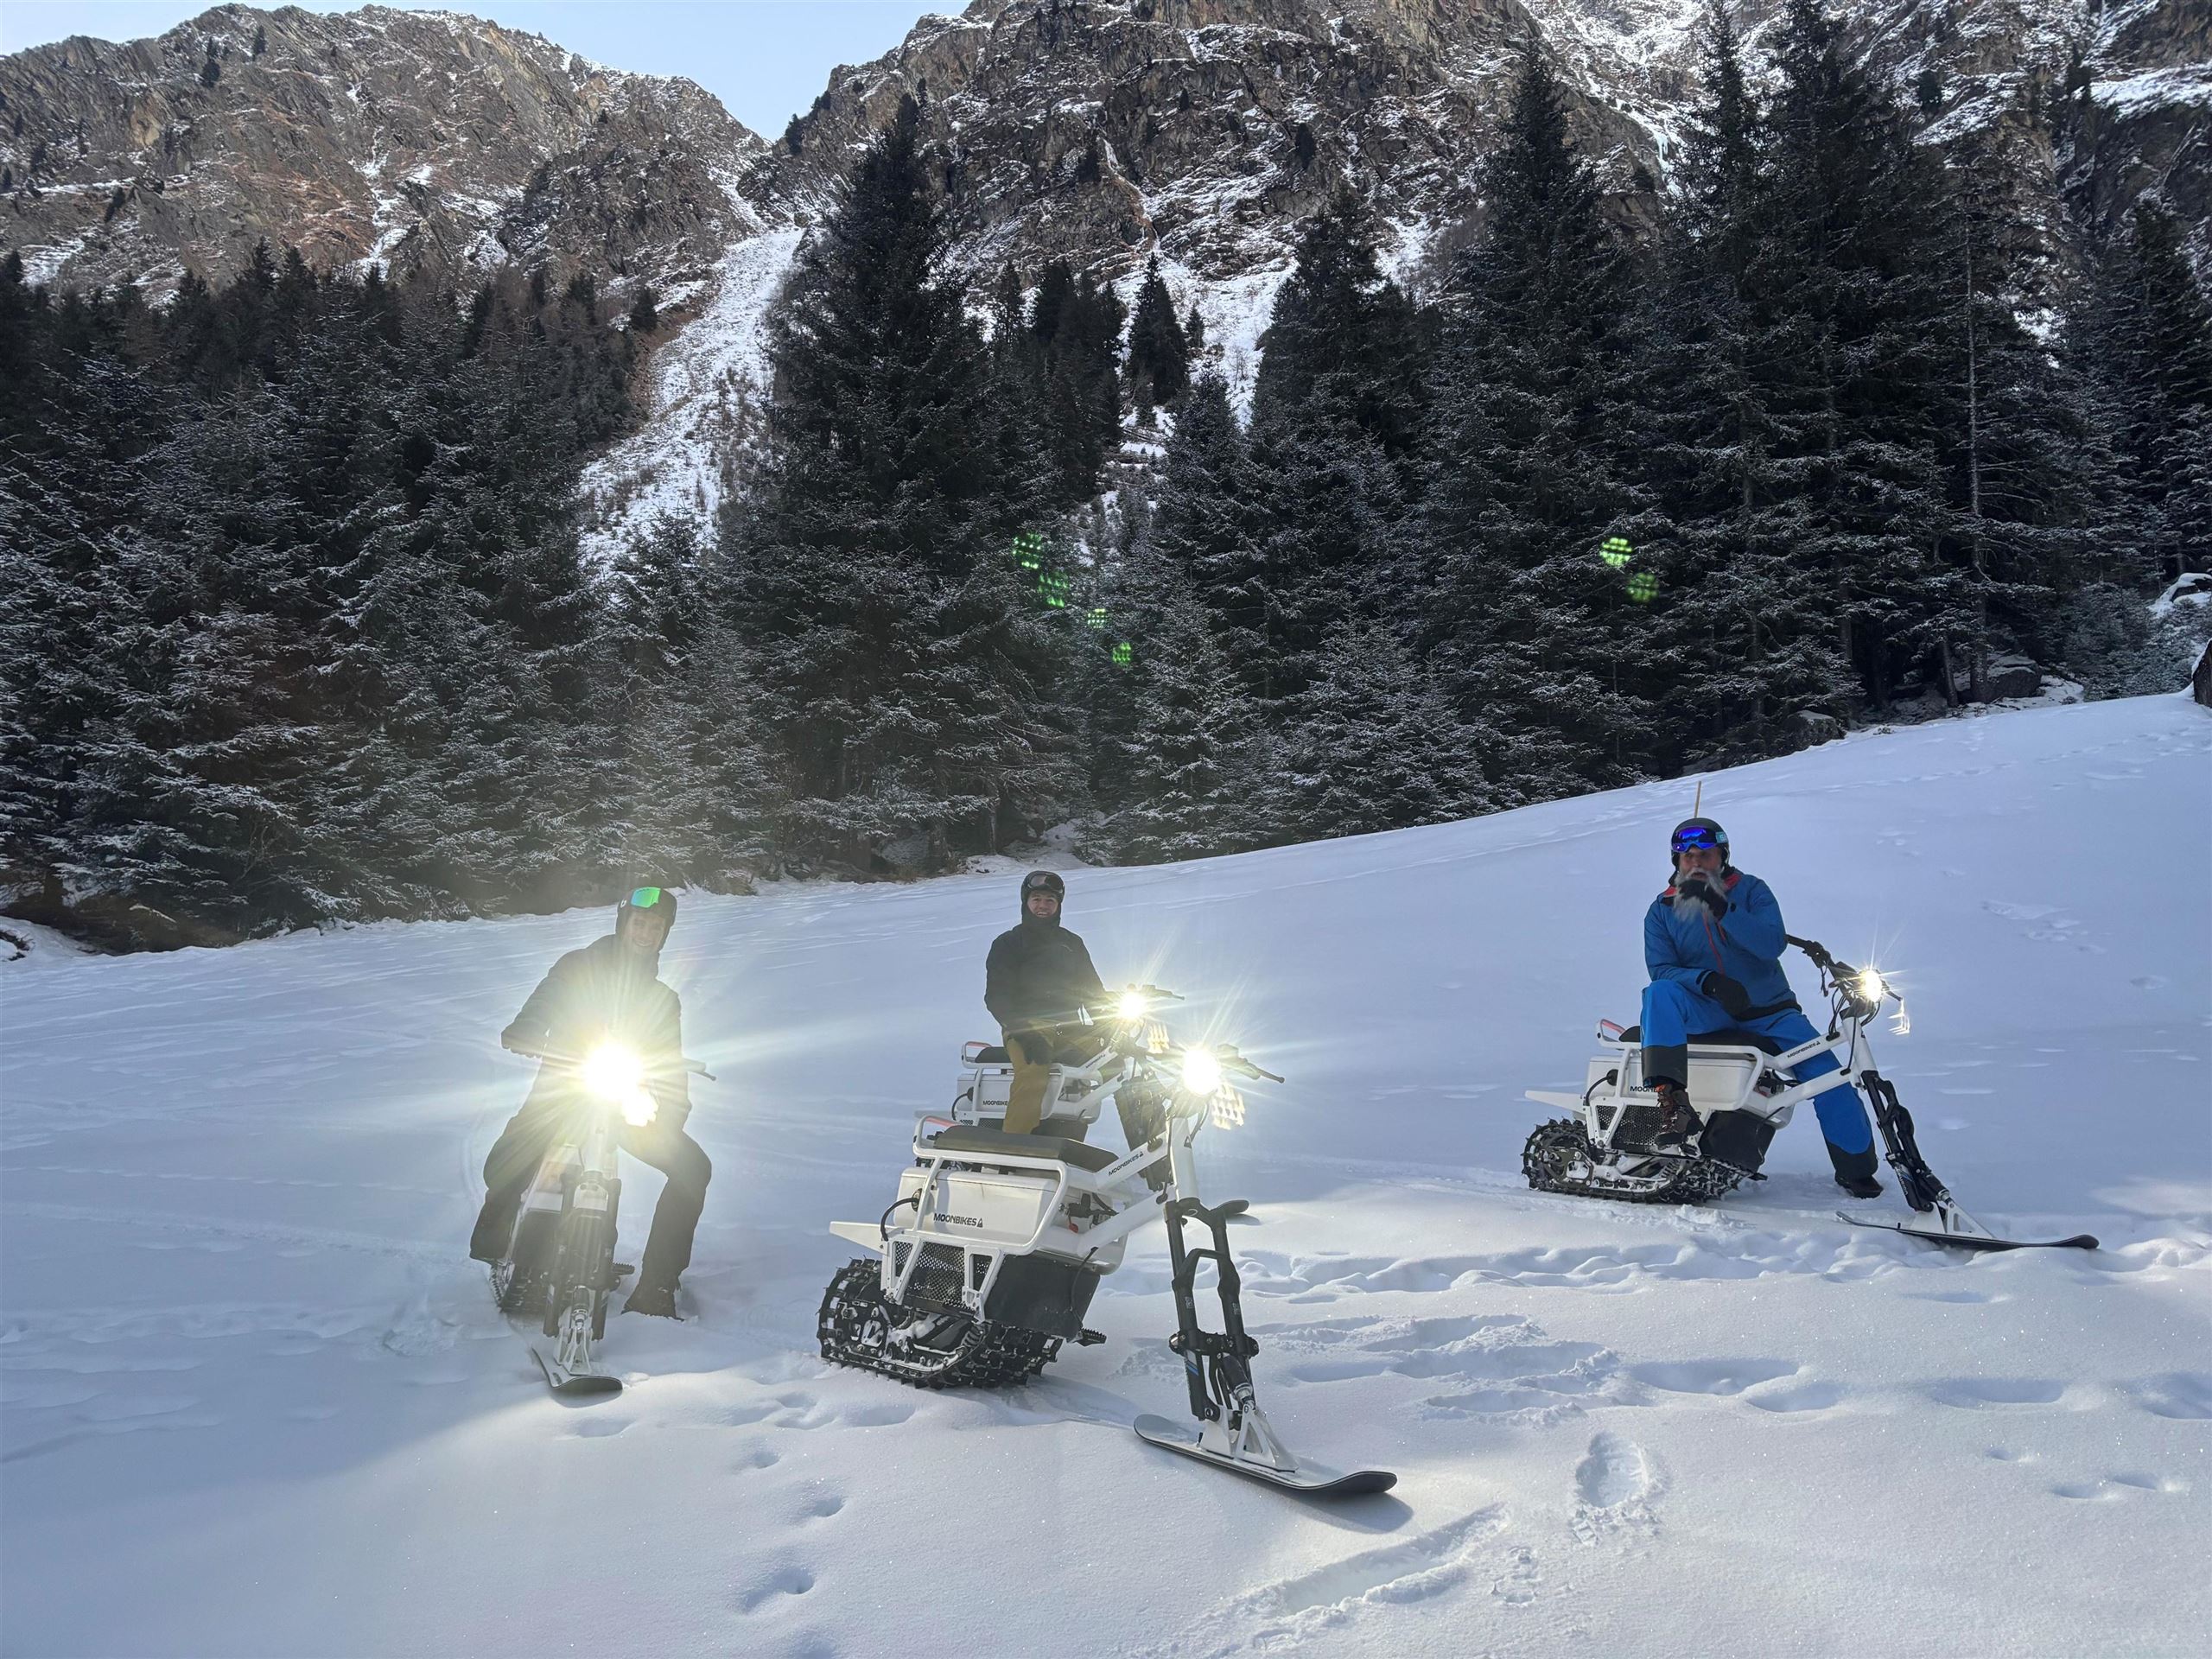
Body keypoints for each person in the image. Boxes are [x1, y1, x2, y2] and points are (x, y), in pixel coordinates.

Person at [467, 886, 713, 1316]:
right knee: (511, 1161)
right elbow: (545, 1001)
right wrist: (526, 1027)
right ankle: (509, 1248)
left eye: (656, 927)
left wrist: (671, 1116)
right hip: (563, 1093)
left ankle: (656, 1287)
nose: (646, 933)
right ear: (623, 924)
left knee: (693, 1168)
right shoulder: (578, 966)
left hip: (619, 1101)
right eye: (640, 923)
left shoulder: (663, 999)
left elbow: (670, 1066)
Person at [1640, 817, 1885, 1198]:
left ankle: (1856, 1170)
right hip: (1709, 1010)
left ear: (1722, 856)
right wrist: (1707, 982)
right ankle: (1673, 1104)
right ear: (1676, 862)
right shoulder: (1661, 911)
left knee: (1828, 1077)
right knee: (1659, 994)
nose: (1696, 863)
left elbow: (1771, 944)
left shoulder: (1752, 891)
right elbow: (1662, 969)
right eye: (1687, 857)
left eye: (1705, 854)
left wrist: (1721, 907)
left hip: (1772, 1014)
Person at [983, 870, 1112, 1135]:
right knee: (1033, 1072)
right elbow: (997, 996)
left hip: (1069, 1028)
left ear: (1059, 905)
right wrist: (1023, 1030)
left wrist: (1109, 1024)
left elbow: (1093, 991)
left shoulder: (1072, 943)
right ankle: (1010, 1152)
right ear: (1026, 902)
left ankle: (1154, 1157)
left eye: (1050, 901)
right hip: (1026, 1026)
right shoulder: (1008, 943)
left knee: (1127, 1065)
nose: (1043, 906)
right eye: (1037, 899)